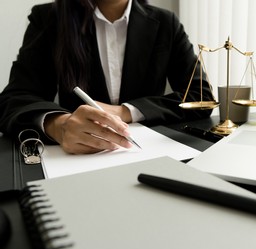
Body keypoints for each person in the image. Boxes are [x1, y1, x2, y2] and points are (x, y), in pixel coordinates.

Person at [0, 0, 213, 154]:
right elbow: (14, 99)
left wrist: (125, 111)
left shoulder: (166, 22)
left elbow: (200, 96)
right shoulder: (48, 18)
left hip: (148, 154)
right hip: (78, 161)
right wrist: (59, 125)